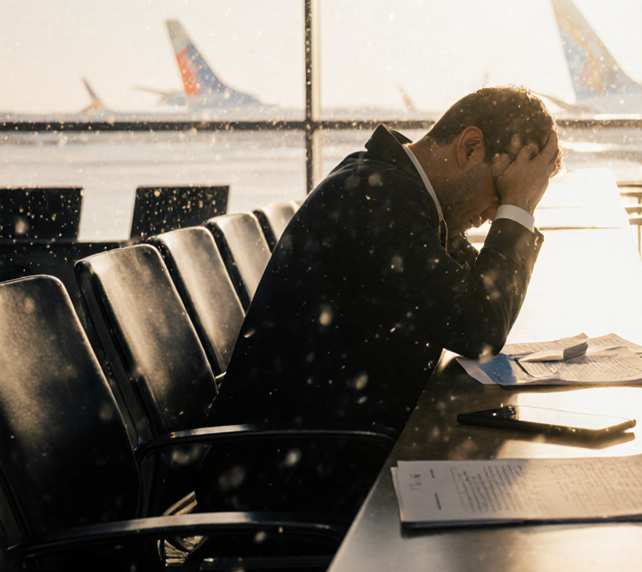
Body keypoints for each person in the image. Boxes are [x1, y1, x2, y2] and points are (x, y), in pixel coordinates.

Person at [196, 86, 561, 517]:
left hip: (317, 447)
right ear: (471, 146)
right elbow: (478, 328)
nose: (490, 215)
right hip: (285, 477)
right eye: (498, 194)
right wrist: (518, 209)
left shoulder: (398, 189)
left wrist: (513, 203)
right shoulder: (380, 199)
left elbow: (475, 301)